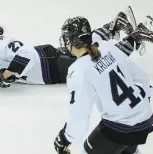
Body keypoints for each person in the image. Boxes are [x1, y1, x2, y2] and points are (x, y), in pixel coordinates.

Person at [0, 8, 137, 96]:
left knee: (97, 64)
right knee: (82, 49)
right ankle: (114, 26)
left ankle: (135, 39)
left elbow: (28, 54)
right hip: (47, 68)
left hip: (48, 63)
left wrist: (7, 74)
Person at [53, 16, 153, 154]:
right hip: (145, 120)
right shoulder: (108, 48)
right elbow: (141, 76)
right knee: (127, 146)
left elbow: (80, 114)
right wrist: (144, 104)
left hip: (121, 128)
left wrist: (65, 137)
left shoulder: (78, 70)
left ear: (71, 40)